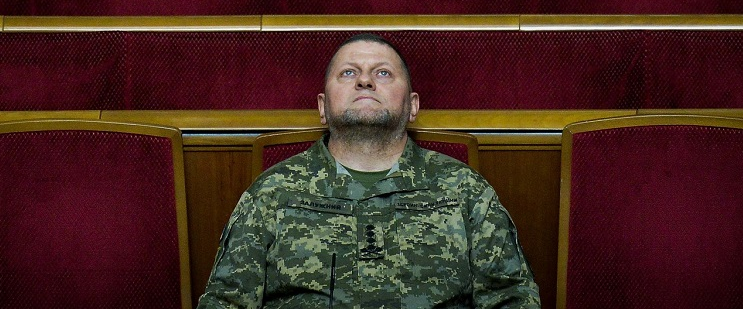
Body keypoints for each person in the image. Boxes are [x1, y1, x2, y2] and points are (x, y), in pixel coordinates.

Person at [198, 33, 541, 308]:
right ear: (322, 107)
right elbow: (225, 301)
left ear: (413, 106)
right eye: (348, 73)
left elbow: (512, 298)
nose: (365, 81)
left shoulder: (465, 190)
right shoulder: (272, 193)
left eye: (383, 73)